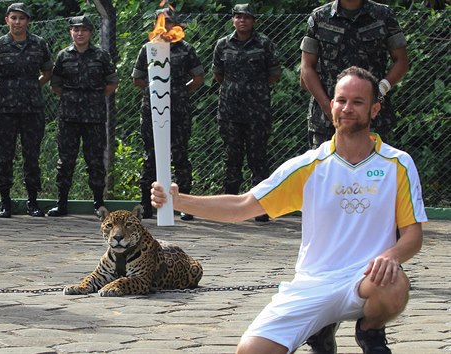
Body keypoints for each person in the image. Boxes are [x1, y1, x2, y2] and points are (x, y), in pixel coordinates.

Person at [150, 66, 426, 354]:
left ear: (374, 109)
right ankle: (320, 327)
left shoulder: (397, 164)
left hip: (366, 280)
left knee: (395, 283)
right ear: (331, 106)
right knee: (250, 351)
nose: (347, 108)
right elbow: (242, 206)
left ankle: (370, 332)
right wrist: (180, 201)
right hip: (313, 283)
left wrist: (391, 256)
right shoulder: (308, 166)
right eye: (341, 100)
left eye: (358, 102)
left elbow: (412, 236)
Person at [300, 0, 409, 149]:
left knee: (372, 168)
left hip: (371, 118)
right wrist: (328, 106)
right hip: (326, 121)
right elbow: (306, 67)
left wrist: (381, 90)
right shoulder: (319, 17)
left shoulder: (384, 15)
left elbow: (401, 61)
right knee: (326, 170)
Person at [132, 7, 204, 221]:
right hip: (153, 111)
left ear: (176, 24)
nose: (166, 25)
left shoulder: (186, 49)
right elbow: (137, 79)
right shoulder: (149, 48)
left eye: (170, 21)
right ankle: (146, 205)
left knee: (180, 155)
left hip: (179, 111)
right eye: (161, 21)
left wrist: (179, 91)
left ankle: (184, 205)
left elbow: (198, 78)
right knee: (151, 155)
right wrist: (156, 92)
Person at [212, 3, 281, 222]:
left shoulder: (264, 44)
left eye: (247, 17)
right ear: (233, 20)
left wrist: (253, 91)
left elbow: (274, 74)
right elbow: (218, 75)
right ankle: (229, 208)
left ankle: (260, 208)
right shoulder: (222, 45)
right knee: (231, 159)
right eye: (238, 17)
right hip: (230, 111)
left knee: (258, 159)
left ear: (254, 21)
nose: (242, 20)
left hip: (257, 112)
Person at [46, 15, 118, 217]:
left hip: (94, 117)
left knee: (95, 161)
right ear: (71, 32)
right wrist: (73, 97)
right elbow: (55, 85)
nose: (79, 33)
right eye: (76, 30)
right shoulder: (63, 56)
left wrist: (93, 98)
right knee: (65, 161)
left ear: (90, 33)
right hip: (69, 117)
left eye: (84, 30)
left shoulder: (101, 56)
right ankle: (62, 203)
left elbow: (112, 83)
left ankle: (98, 203)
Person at [0, 3, 52, 218]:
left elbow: (47, 71)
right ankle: (5, 202)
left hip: (32, 109)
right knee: (4, 157)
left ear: (28, 21)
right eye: (13, 18)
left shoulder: (38, 44)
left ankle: (32, 202)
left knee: (31, 156)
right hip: (5, 109)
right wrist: (5, 90)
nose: (17, 22)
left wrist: (34, 86)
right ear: (7, 20)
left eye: (22, 18)